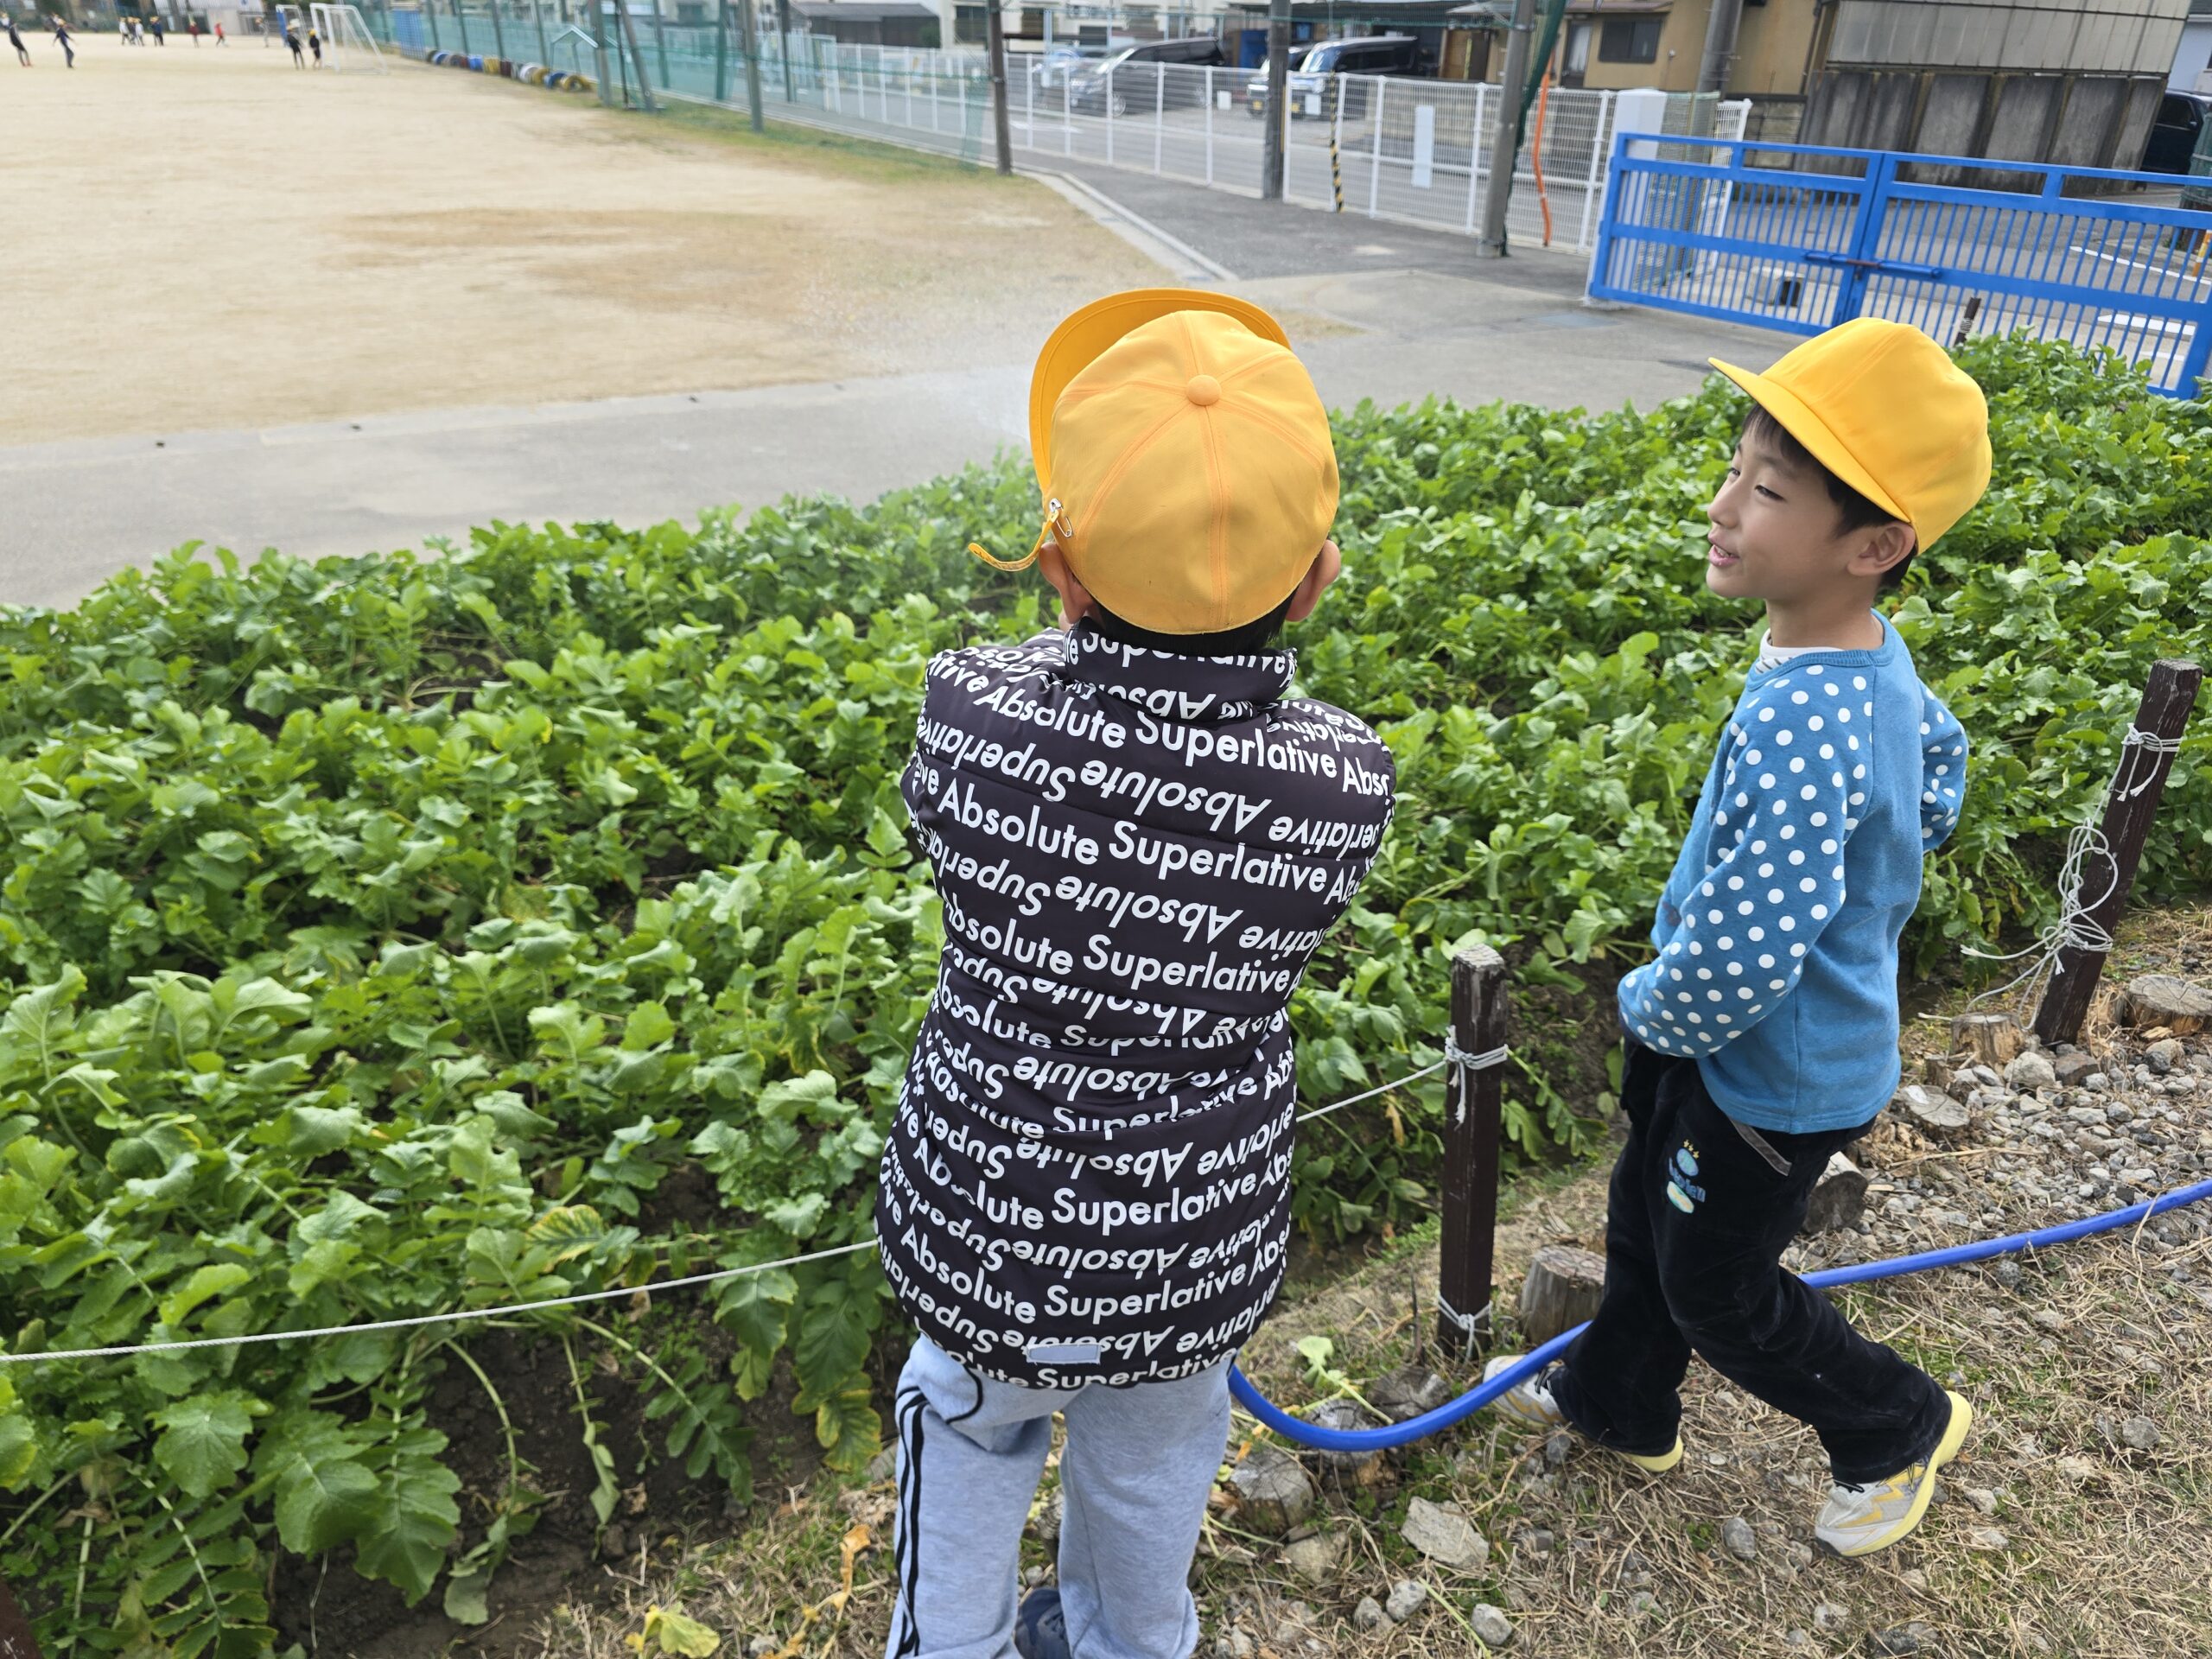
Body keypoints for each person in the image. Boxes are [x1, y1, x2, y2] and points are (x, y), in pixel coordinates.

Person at [874, 288, 1397, 1659]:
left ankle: (950, 1647)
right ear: (1316, 580)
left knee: (968, 1435)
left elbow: (1015, 734)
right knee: (1155, 1459)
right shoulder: (1341, 783)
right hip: (1188, 1243)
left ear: (1059, 572)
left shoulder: (967, 712)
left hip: (985, 1225)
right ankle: (1130, 1642)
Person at [1482, 317, 1993, 1559]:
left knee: (1717, 1286)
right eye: (1734, 470)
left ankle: (1895, 1422)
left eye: (1766, 492)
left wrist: (1651, 1013)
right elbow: (1941, 755)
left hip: (1766, 1069)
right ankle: (1619, 1403)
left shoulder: (1803, 716)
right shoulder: (1859, 655)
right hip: (1748, 1048)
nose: (1722, 507)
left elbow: (1751, 953)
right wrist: (1897, 841)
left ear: (1873, 545)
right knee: (1644, 1220)